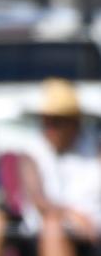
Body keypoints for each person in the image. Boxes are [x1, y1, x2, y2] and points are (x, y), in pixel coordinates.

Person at [17, 78, 101, 256]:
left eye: (56, 121)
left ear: (74, 122)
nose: (50, 128)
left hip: (94, 229)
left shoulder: (95, 148)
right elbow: (40, 201)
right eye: (46, 121)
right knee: (53, 226)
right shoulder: (31, 151)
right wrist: (71, 215)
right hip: (48, 230)